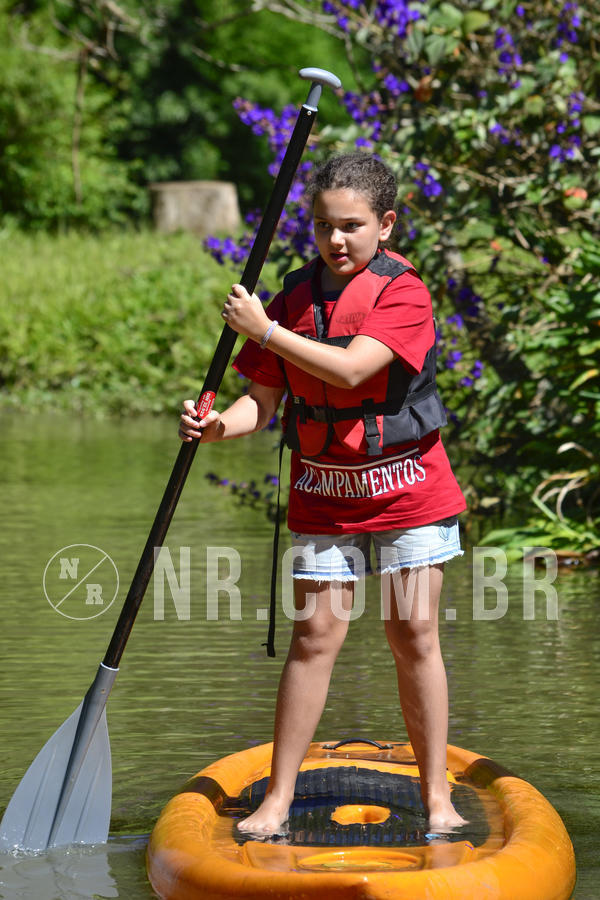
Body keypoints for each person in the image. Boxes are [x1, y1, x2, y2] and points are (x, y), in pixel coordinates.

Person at [179, 152, 467, 835]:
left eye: (351, 226)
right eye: (321, 226)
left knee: (413, 633)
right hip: (324, 493)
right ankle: (277, 801)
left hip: (408, 493)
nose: (335, 239)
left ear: (385, 225)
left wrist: (265, 330)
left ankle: (437, 798)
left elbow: (352, 370)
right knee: (313, 636)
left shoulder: (404, 294)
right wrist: (216, 427)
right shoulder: (291, 300)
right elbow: (261, 404)